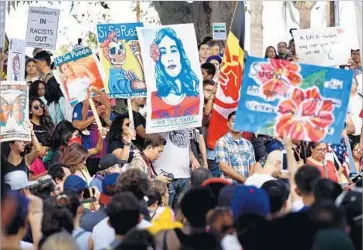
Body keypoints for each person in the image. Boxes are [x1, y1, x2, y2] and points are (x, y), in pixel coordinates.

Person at [150, 27, 200, 118]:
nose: (170, 58)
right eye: (163, 52)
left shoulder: (196, 96)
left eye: (173, 50)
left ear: (181, 54)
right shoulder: (152, 99)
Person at [152, 130, 200, 209]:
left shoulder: (186, 124)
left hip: (185, 176)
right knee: (165, 212)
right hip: (165, 176)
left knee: (182, 212)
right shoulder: (159, 120)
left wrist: (193, 158)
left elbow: (187, 147)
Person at [72, 96, 113, 176]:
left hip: (104, 152)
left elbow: (114, 127)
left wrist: (104, 118)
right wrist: (95, 114)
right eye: (96, 92)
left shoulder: (102, 106)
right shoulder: (80, 106)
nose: (99, 94)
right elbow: (76, 126)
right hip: (88, 154)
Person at [215, 111, 256, 183]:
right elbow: (223, 166)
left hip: (246, 186)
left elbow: (252, 165)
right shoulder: (222, 142)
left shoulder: (248, 144)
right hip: (230, 187)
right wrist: (244, 180)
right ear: (228, 124)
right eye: (233, 121)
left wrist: (249, 182)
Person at [33, 50, 66, 124]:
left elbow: (59, 99)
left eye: (36, 62)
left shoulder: (55, 78)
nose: (35, 65)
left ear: (44, 63)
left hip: (58, 118)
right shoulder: (41, 79)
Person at [29, 97, 55, 174]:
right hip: (36, 160)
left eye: (41, 106)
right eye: (36, 107)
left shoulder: (47, 123)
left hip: (51, 156)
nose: (40, 108)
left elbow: (55, 141)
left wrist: (47, 148)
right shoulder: (28, 124)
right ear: (30, 110)